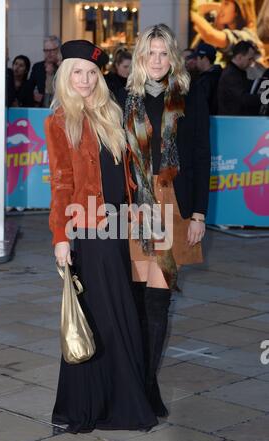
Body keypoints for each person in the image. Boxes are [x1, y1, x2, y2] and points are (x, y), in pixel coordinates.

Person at [45, 39, 158, 433]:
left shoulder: (111, 112)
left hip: (119, 225)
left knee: (114, 312)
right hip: (89, 229)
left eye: (91, 73)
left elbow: (127, 174)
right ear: (65, 75)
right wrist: (60, 236)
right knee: (99, 316)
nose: (85, 79)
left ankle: (115, 402)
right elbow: (61, 182)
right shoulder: (60, 120)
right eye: (77, 72)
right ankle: (96, 406)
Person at [121, 24, 211, 417]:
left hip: (173, 204)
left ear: (172, 57)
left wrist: (199, 213)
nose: (157, 60)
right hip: (134, 207)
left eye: (163, 53)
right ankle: (137, 380)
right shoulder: (124, 100)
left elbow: (202, 155)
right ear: (140, 57)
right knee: (138, 301)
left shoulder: (190, 97)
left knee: (159, 302)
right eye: (150, 53)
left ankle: (147, 384)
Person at [191, 0, 265, 66]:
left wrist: (186, 12)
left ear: (238, 10)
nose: (221, 8)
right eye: (221, 3)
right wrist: (219, 7)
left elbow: (210, 35)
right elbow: (201, 9)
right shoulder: (226, 26)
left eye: (226, 4)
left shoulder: (247, 36)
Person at [217, 40, 261, 114]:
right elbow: (243, 98)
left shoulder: (238, 72)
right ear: (239, 57)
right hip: (230, 122)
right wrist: (263, 98)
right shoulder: (230, 74)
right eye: (250, 59)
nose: (251, 63)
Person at [29, 35, 62, 107]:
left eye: (51, 50)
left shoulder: (64, 67)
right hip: (41, 109)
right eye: (46, 50)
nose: (48, 54)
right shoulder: (38, 67)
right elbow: (29, 88)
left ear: (58, 50)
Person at [194, 43, 222, 114]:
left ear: (205, 58)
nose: (195, 61)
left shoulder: (207, 80)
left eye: (197, 58)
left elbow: (201, 105)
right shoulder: (219, 74)